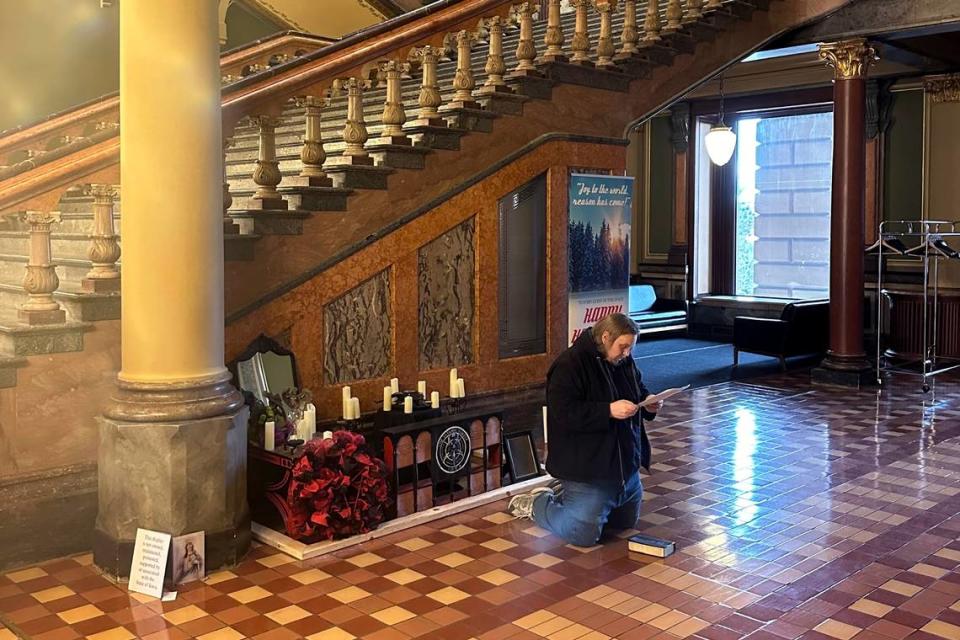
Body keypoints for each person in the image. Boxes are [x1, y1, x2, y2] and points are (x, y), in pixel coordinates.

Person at [507, 312, 662, 547]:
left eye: (631, 348)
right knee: (583, 535)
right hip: (589, 471)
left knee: (625, 524)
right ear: (606, 337)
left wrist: (649, 401)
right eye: (623, 346)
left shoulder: (623, 360)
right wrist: (608, 411)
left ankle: (569, 496)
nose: (627, 353)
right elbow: (564, 413)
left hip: (624, 471)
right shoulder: (569, 364)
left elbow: (637, 389)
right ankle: (539, 503)